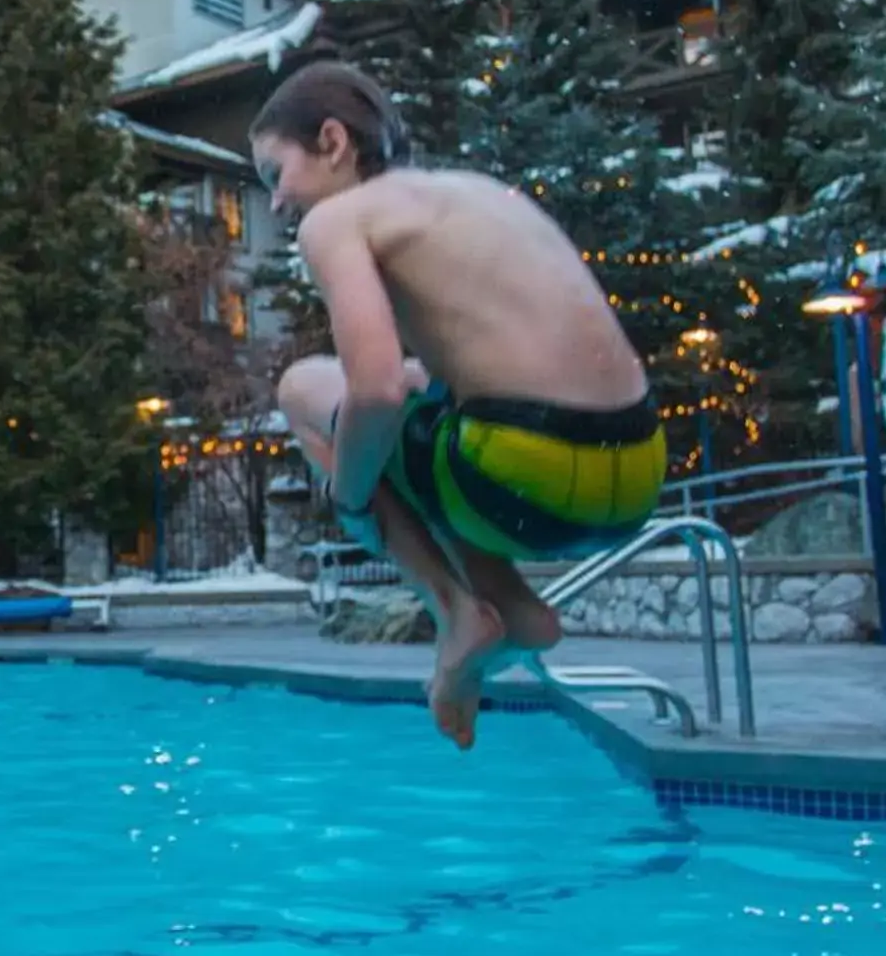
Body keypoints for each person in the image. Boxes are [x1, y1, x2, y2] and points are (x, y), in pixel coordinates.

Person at [252, 56, 664, 750]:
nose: (276, 203)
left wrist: (348, 498)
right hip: (637, 472)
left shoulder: (336, 223)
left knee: (306, 389)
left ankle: (458, 611)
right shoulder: (475, 193)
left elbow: (376, 388)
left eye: (274, 174)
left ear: (331, 142)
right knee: (425, 395)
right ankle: (509, 604)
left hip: (529, 474)